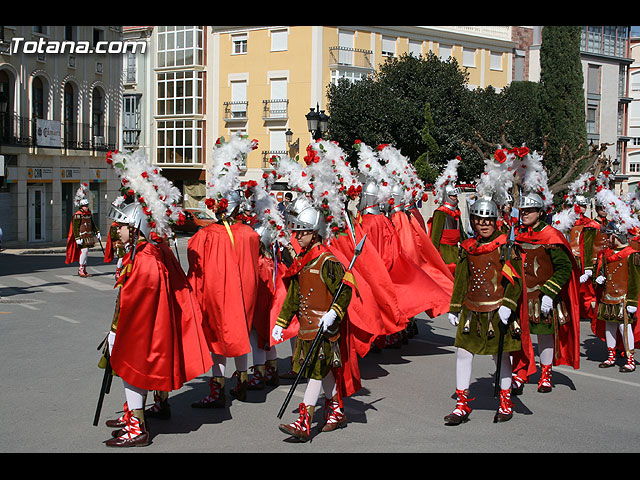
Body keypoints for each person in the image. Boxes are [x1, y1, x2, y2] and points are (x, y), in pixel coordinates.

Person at [100, 199, 213, 448]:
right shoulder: (142, 253)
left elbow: (140, 299)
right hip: (140, 325)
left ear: (135, 227)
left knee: (132, 370)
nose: (117, 230)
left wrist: (119, 330)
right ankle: (138, 416)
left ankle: (137, 426)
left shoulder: (145, 257)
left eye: (122, 226)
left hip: (140, 328)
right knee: (132, 371)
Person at [273, 202, 352, 442]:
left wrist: (334, 313)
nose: (297, 236)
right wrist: (281, 323)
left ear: (314, 233)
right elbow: (293, 297)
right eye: (296, 232)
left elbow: (346, 290)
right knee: (323, 372)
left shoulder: (328, 261)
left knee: (316, 372)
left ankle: (304, 422)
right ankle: (337, 412)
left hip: (325, 329)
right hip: (307, 328)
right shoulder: (303, 261)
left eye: (302, 232)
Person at [444, 197, 525, 424]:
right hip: (471, 311)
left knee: (501, 358)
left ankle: (506, 402)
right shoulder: (468, 247)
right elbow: (461, 279)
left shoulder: (506, 247)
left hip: (497, 311)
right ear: (474, 221)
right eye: (480, 220)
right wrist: (454, 307)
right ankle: (461, 405)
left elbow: (515, 282)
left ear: (495, 221)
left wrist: (508, 305)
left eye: (488, 220)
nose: (484, 224)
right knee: (462, 354)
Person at [187, 190, 260, 407]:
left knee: (217, 340)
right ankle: (242, 381)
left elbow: (194, 261)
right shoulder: (249, 233)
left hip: (218, 294)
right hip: (244, 294)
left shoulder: (206, 234)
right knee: (240, 336)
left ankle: (217, 390)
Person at [511, 191, 581, 395]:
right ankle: (519, 373)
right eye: (523, 210)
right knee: (518, 336)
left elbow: (564, 267)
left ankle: (546, 373)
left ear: (540, 213)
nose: (525, 214)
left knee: (544, 336)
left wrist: (550, 293)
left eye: (529, 211)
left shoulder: (551, 236)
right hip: (520, 295)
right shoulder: (517, 234)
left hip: (543, 298)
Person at [65, 185, 100, 277]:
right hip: (81, 236)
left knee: (86, 251)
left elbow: (92, 224)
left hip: (87, 236)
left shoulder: (88, 214)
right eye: (85, 206)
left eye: (87, 206)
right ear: (81, 206)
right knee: (84, 251)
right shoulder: (78, 215)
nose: (86, 207)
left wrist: (97, 232)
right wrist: (77, 238)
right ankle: (81, 268)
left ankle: (84, 268)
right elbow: (75, 227)